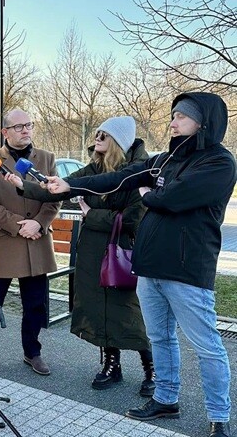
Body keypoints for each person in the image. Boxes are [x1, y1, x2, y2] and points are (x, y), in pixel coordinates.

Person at [45, 94, 234, 437]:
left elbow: (170, 199)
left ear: (202, 121)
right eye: (173, 116)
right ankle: (165, 400)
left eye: (180, 116)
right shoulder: (167, 160)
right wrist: (71, 184)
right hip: (149, 267)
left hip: (187, 271)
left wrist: (149, 195)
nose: (172, 122)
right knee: (159, 338)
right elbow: (123, 176)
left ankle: (220, 418)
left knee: (207, 346)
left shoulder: (219, 163)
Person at [8, 116, 155, 395]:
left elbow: (135, 217)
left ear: (117, 141)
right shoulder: (94, 168)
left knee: (130, 311)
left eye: (103, 135)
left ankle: (152, 369)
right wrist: (22, 185)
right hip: (92, 252)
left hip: (122, 251)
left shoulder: (138, 171)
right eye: (97, 134)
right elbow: (61, 188)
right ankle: (112, 365)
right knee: (100, 309)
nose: (96, 139)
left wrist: (92, 214)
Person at [0, 109, 60, 377]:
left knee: (35, 303)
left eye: (29, 125)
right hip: (7, 241)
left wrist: (39, 223)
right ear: (5, 132)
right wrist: (19, 225)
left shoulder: (46, 158)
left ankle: (32, 352)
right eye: (18, 126)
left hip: (37, 241)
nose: (25, 131)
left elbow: (55, 198)